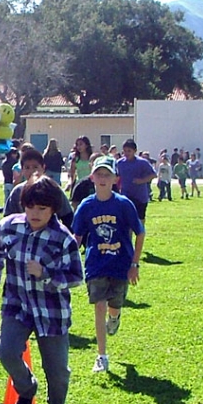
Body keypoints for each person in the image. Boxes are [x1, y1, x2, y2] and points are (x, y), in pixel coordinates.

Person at [0, 175, 83, 404]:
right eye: (30, 207)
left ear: (53, 209)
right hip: (17, 305)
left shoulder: (63, 239)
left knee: (57, 371)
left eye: (42, 208)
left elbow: (75, 277)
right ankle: (26, 390)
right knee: (6, 352)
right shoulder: (9, 227)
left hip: (51, 312)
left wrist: (46, 274)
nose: (35, 213)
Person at [71, 156, 144, 374]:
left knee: (114, 306)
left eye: (107, 175)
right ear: (92, 177)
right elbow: (78, 236)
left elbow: (140, 232)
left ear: (115, 179)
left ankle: (115, 316)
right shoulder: (86, 205)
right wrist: (68, 258)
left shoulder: (123, 204)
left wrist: (135, 264)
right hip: (96, 265)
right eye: (99, 175)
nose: (102, 179)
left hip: (121, 264)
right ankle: (101, 355)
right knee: (99, 306)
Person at [3, 147, 74, 229]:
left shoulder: (53, 189)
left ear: (43, 168)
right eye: (27, 168)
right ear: (22, 170)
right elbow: (8, 218)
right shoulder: (17, 192)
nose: (31, 171)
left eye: (35, 167)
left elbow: (67, 216)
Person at [116, 139, 156, 221]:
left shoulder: (142, 163)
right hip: (126, 195)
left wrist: (142, 180)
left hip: (140, 196)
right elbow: (116, 176)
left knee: (140, 219)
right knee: (127, 220)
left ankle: (140, 233)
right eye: (125, 151)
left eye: (129, 151)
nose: (126, 153)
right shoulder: (120, 163)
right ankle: (128, 234)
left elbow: (153, 174)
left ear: (135, 151)